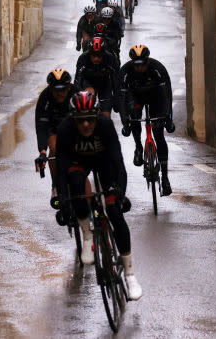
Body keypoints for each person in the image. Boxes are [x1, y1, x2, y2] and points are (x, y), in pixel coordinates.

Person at [55, 91, 143, 300]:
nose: (86, 125)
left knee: (114, 210)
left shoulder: (104, 125)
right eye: (81, 120)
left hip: (104, 163)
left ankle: (130, 275)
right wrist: (64, 204)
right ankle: (88, 237)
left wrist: (119, 192)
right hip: (79, 163)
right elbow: (60, 170)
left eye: (90, 119)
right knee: (76, 188)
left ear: (96, 116)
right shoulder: (65, 129)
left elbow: (117, 162)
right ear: (73, 119)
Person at [118, 44, 175, 196]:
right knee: (134, 118)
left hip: (156, 97)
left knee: (159, 135)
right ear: (132, 63)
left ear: (147, 62)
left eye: (142, 64)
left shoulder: (157, 68)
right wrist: (125, 122)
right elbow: (122, 98)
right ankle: (138, 146)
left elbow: (167, 95)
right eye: (136, 65)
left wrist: (168, 117)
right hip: (135, 96)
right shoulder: (125, 72)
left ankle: (165, 177)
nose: (140, 68)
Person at [35, 69, 74, 194]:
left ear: (69, 87)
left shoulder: (76, 93)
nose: (59, 94)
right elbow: (41, 127)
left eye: (62, 90)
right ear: (50, 89)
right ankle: (55, 185)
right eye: (56, 90)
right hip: (54, 127)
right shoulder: (44, 98)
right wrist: (42, 151)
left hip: (75, 126)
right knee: (54, 149)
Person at [74, 36, 122, 119]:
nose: (96, 59)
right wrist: (79, 96)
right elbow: (77, 80)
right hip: (88, 83)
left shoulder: (110, 58)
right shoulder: (83, 58)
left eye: (99, 56)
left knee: (106, 118)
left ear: (104, 54)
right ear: (89, 54)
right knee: (89, 99)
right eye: (93, 56)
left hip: (104, 84)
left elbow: (116, 80)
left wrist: (117, 98)